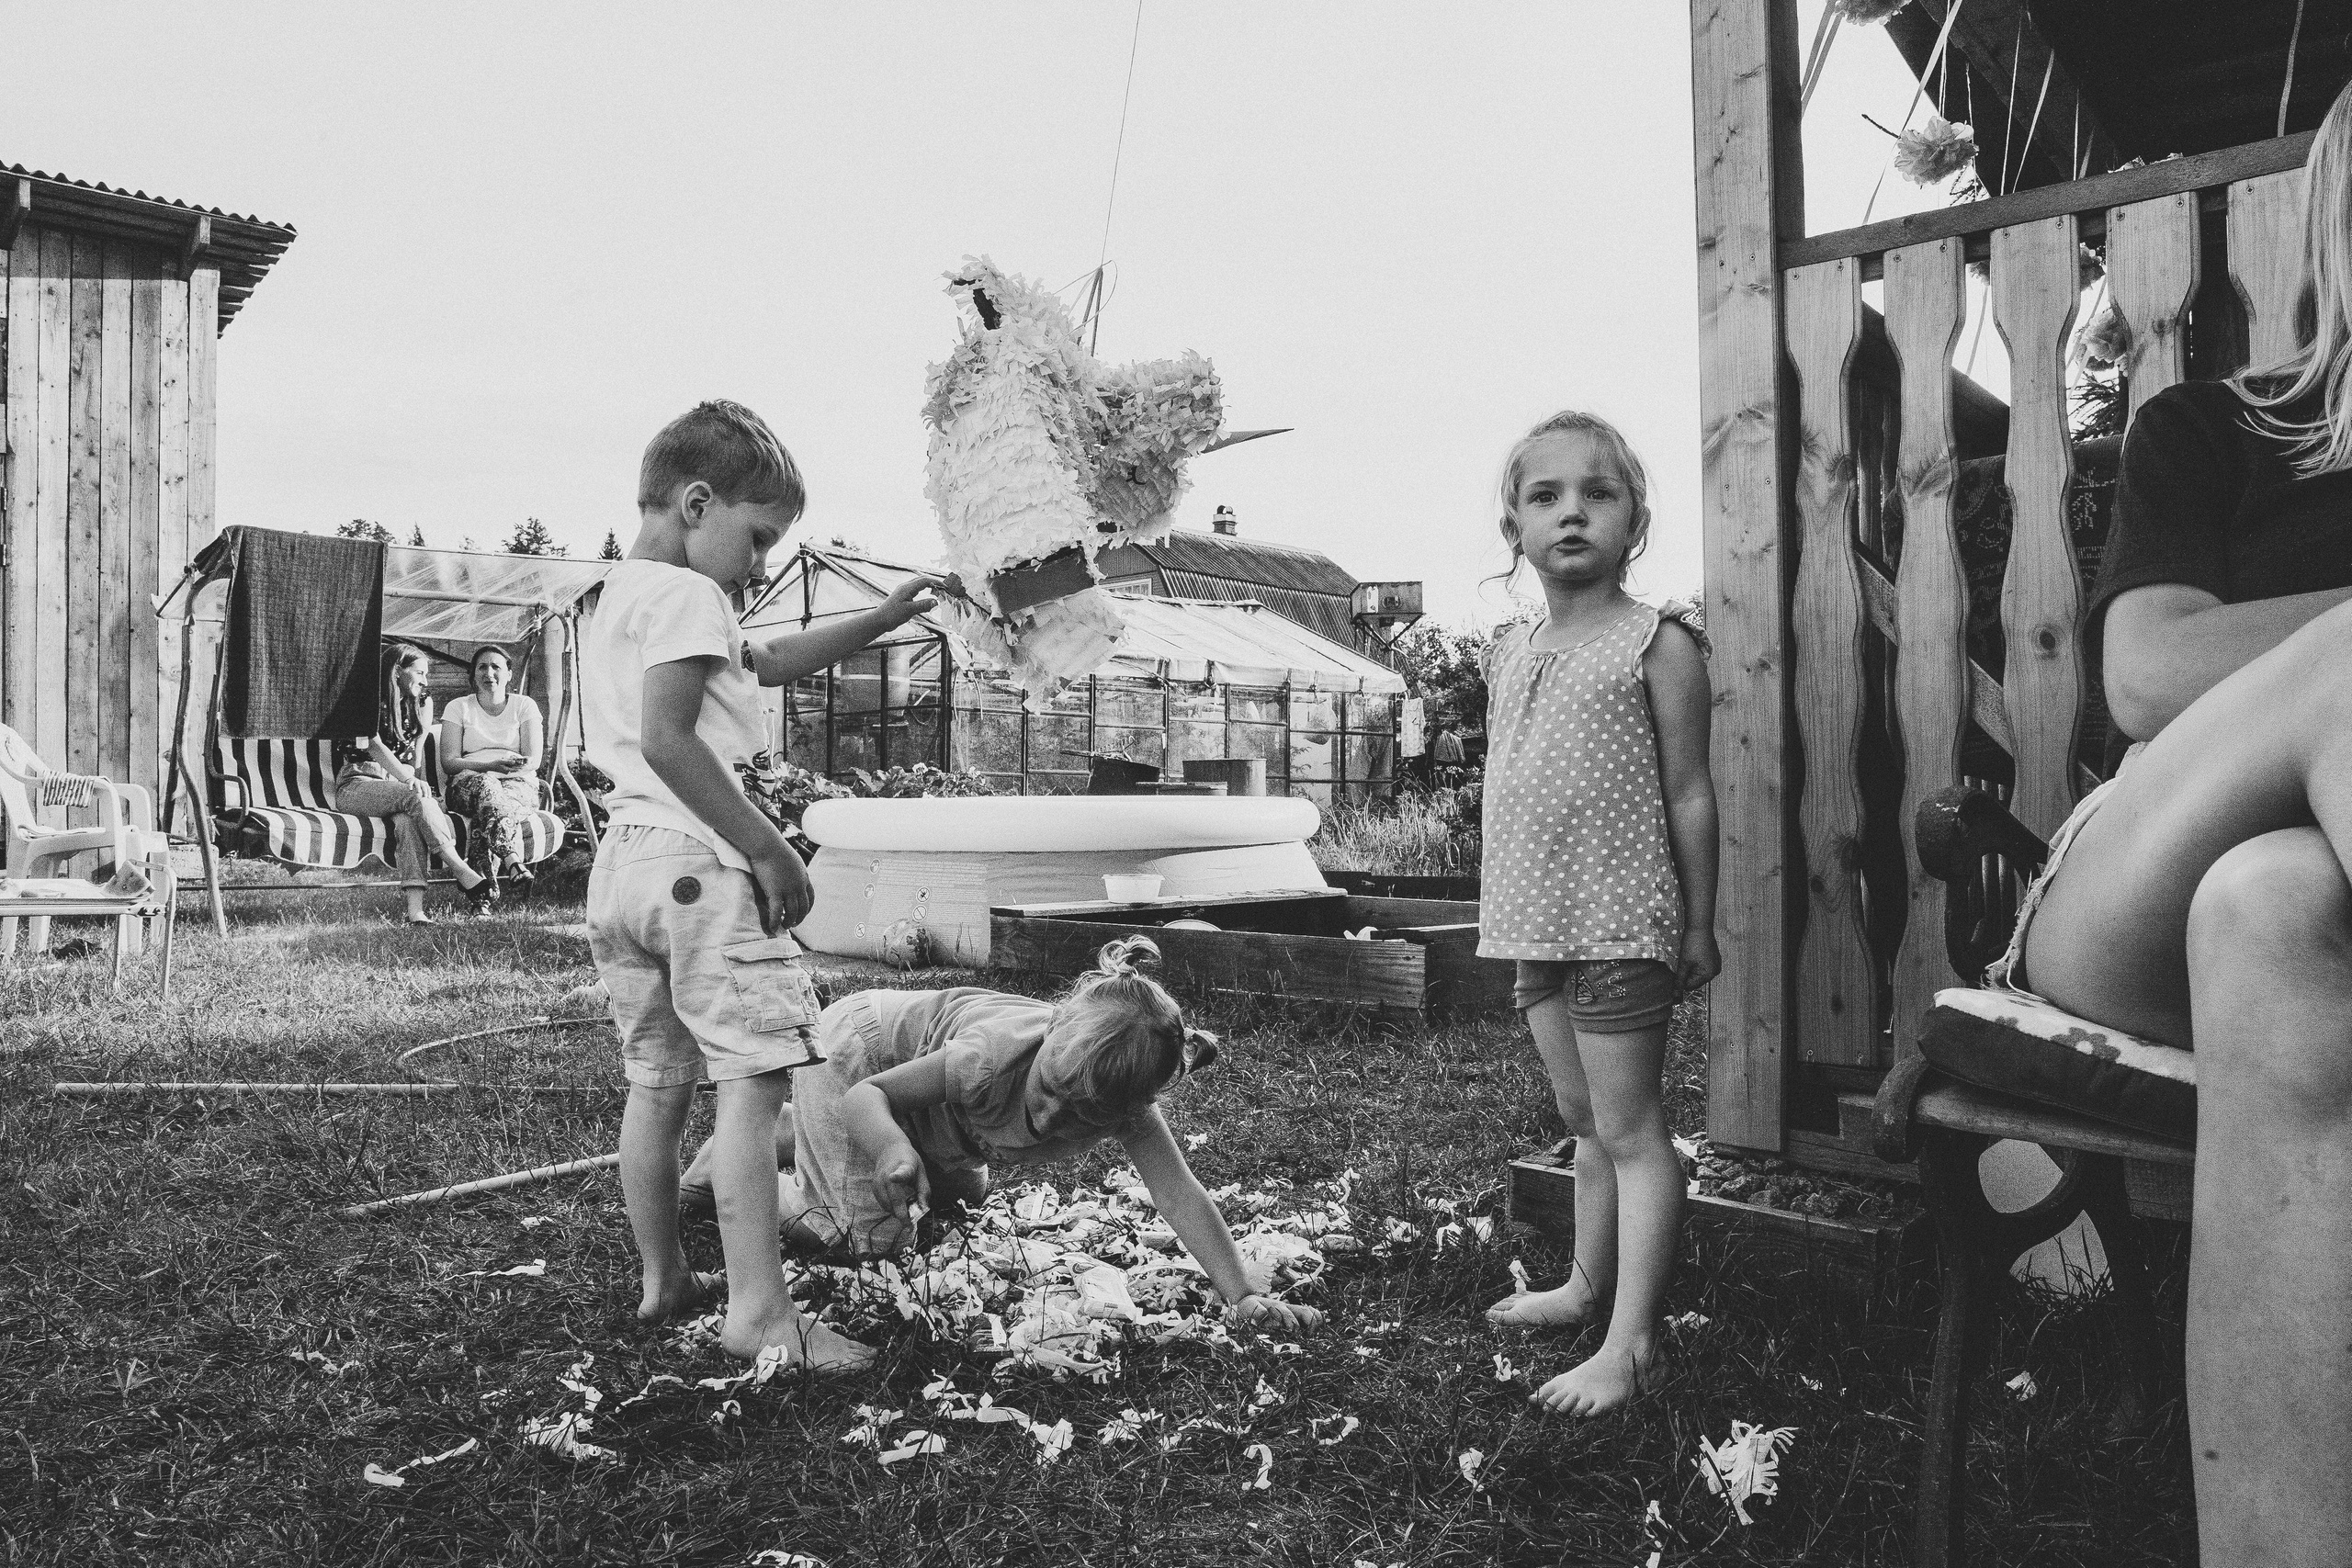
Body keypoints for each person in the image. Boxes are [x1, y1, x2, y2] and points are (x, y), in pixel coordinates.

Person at [1985, 86, 2352, 1568]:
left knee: (2273, 911)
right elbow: (2143, 673)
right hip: (2129, 891)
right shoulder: (2221, 430)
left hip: (2283, 906)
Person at [583, 399, 942, 1371]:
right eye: (757, 538)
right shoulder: (693, 599)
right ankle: (758, 1315)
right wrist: (768, 849)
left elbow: (771, 660)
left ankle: (663, 1278)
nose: (759, 564)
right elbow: (670, 740)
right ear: (698, 503)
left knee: (656, 1084)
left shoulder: (618, 596)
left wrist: (880, 617)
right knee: (754, 1084)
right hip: (699, 866)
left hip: (623, 874)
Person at [677, 937, 1326, 1337]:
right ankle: (750, 1162)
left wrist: (1240, 1292)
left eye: (1078, 1115)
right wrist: (892, 1146)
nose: (1049, 1117)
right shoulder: (989, 1057)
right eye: (1048, 1091)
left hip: (946, 1121)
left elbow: (1180, 1193)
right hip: (862, 1057)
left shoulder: (1124, 1100)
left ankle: (806, 1132)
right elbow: (868, 1097)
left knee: (955, 1206)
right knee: (862, 1241)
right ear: (1051, 1033)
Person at [1473, 410, 1720, 1418]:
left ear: (1636, 521)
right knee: (1580, 1122)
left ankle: (1630, 1344)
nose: (1571, 512)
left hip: (1622, 921)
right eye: (1546, 496)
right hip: (1535, 921)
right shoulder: (1508, 648)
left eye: (1597, 493)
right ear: (1514, 529)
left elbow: (1692, 794)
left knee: (1630, 1129)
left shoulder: (1656, 646)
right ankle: (1583, 1286)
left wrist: (1697, 924)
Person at [335, 643, 497, 925]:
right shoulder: (365, 699)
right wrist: (410, 783)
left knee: (409, 823)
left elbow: (417, 755)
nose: (425, 680)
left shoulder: (423, 702)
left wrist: (422, 787)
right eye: (419, 672)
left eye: (427, 674)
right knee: (414, 799)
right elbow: (374, 746)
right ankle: (460, 869)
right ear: (397, 670)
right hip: (358, 784)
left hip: (400, 789)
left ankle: (416, 911)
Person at [438, 644, 544, 889]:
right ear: (473, 674)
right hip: (468, 784)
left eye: (496, 667)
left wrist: (508, 767)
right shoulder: (459, 707)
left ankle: (482, 899)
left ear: (509, 674)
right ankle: (512, 859)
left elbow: (533, 759)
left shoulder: (524, 705)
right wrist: (489, 766)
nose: (489, 673)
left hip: (517, 783)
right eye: (482, 667)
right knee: (487, 786)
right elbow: (449, 762)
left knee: (485, 814)